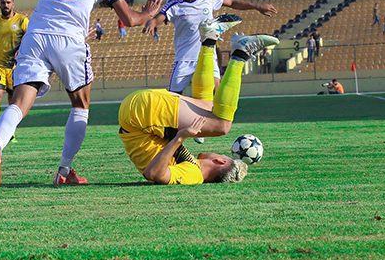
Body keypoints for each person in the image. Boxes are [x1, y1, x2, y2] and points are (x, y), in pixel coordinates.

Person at [0, 0, 164, 192]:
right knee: (80, 104)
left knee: (19, 102)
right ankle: (64, 171)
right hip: (68, 41)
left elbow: (58, 7)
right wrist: (148, 12)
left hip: (35, 36)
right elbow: (128, 19)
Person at [119, 23, 279, 185]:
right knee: (208, 106)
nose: (221, 153)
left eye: (223, 155)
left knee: (222, 126)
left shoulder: (194, 175)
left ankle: (241, 53)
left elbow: (153, 174)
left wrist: (181, 137)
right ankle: (209, 40)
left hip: (141, 117)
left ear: (220, 161)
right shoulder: (193, 167)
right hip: (138, 113)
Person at [142, 0, 277, 107]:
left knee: (217, 93)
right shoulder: (175, 5)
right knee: (173, 100)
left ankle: (211, 119)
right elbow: (157, 18)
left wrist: (257, 7)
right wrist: (151, 23)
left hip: (207, 57)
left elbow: (232, 2)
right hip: (184, 60)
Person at [0, 0, 29, 142]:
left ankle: (10, 133)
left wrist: (21, 49)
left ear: (13, 4)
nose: (6, 5)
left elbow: (30, 38)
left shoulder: (22, 20)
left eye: (8, 2)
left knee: (13, 99)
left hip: (15, 66)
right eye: (3, 3)